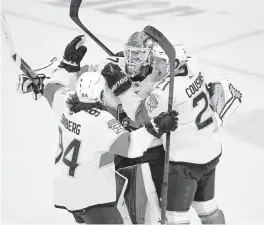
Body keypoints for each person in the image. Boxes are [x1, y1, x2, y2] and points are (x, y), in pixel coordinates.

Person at [16, 35, 179, 224]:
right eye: (130, 54)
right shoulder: (102, 117)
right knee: (130, 211)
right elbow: (131, 144)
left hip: (140, 151)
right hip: (115, 147)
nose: (131, 59)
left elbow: (57, 86)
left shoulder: (66, 103)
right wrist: (154, 126)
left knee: (148, 208)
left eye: (137, 55)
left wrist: (51, 76)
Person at [101, 30, 242, 224]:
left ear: (173, 63)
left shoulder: (166, 91)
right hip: (210, 152)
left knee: (175, 218)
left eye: (159, 62)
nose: (154, 65)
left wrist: (122, 88)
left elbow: (138, 115)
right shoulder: (193, 67)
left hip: (184, 162)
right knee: (207, 208)